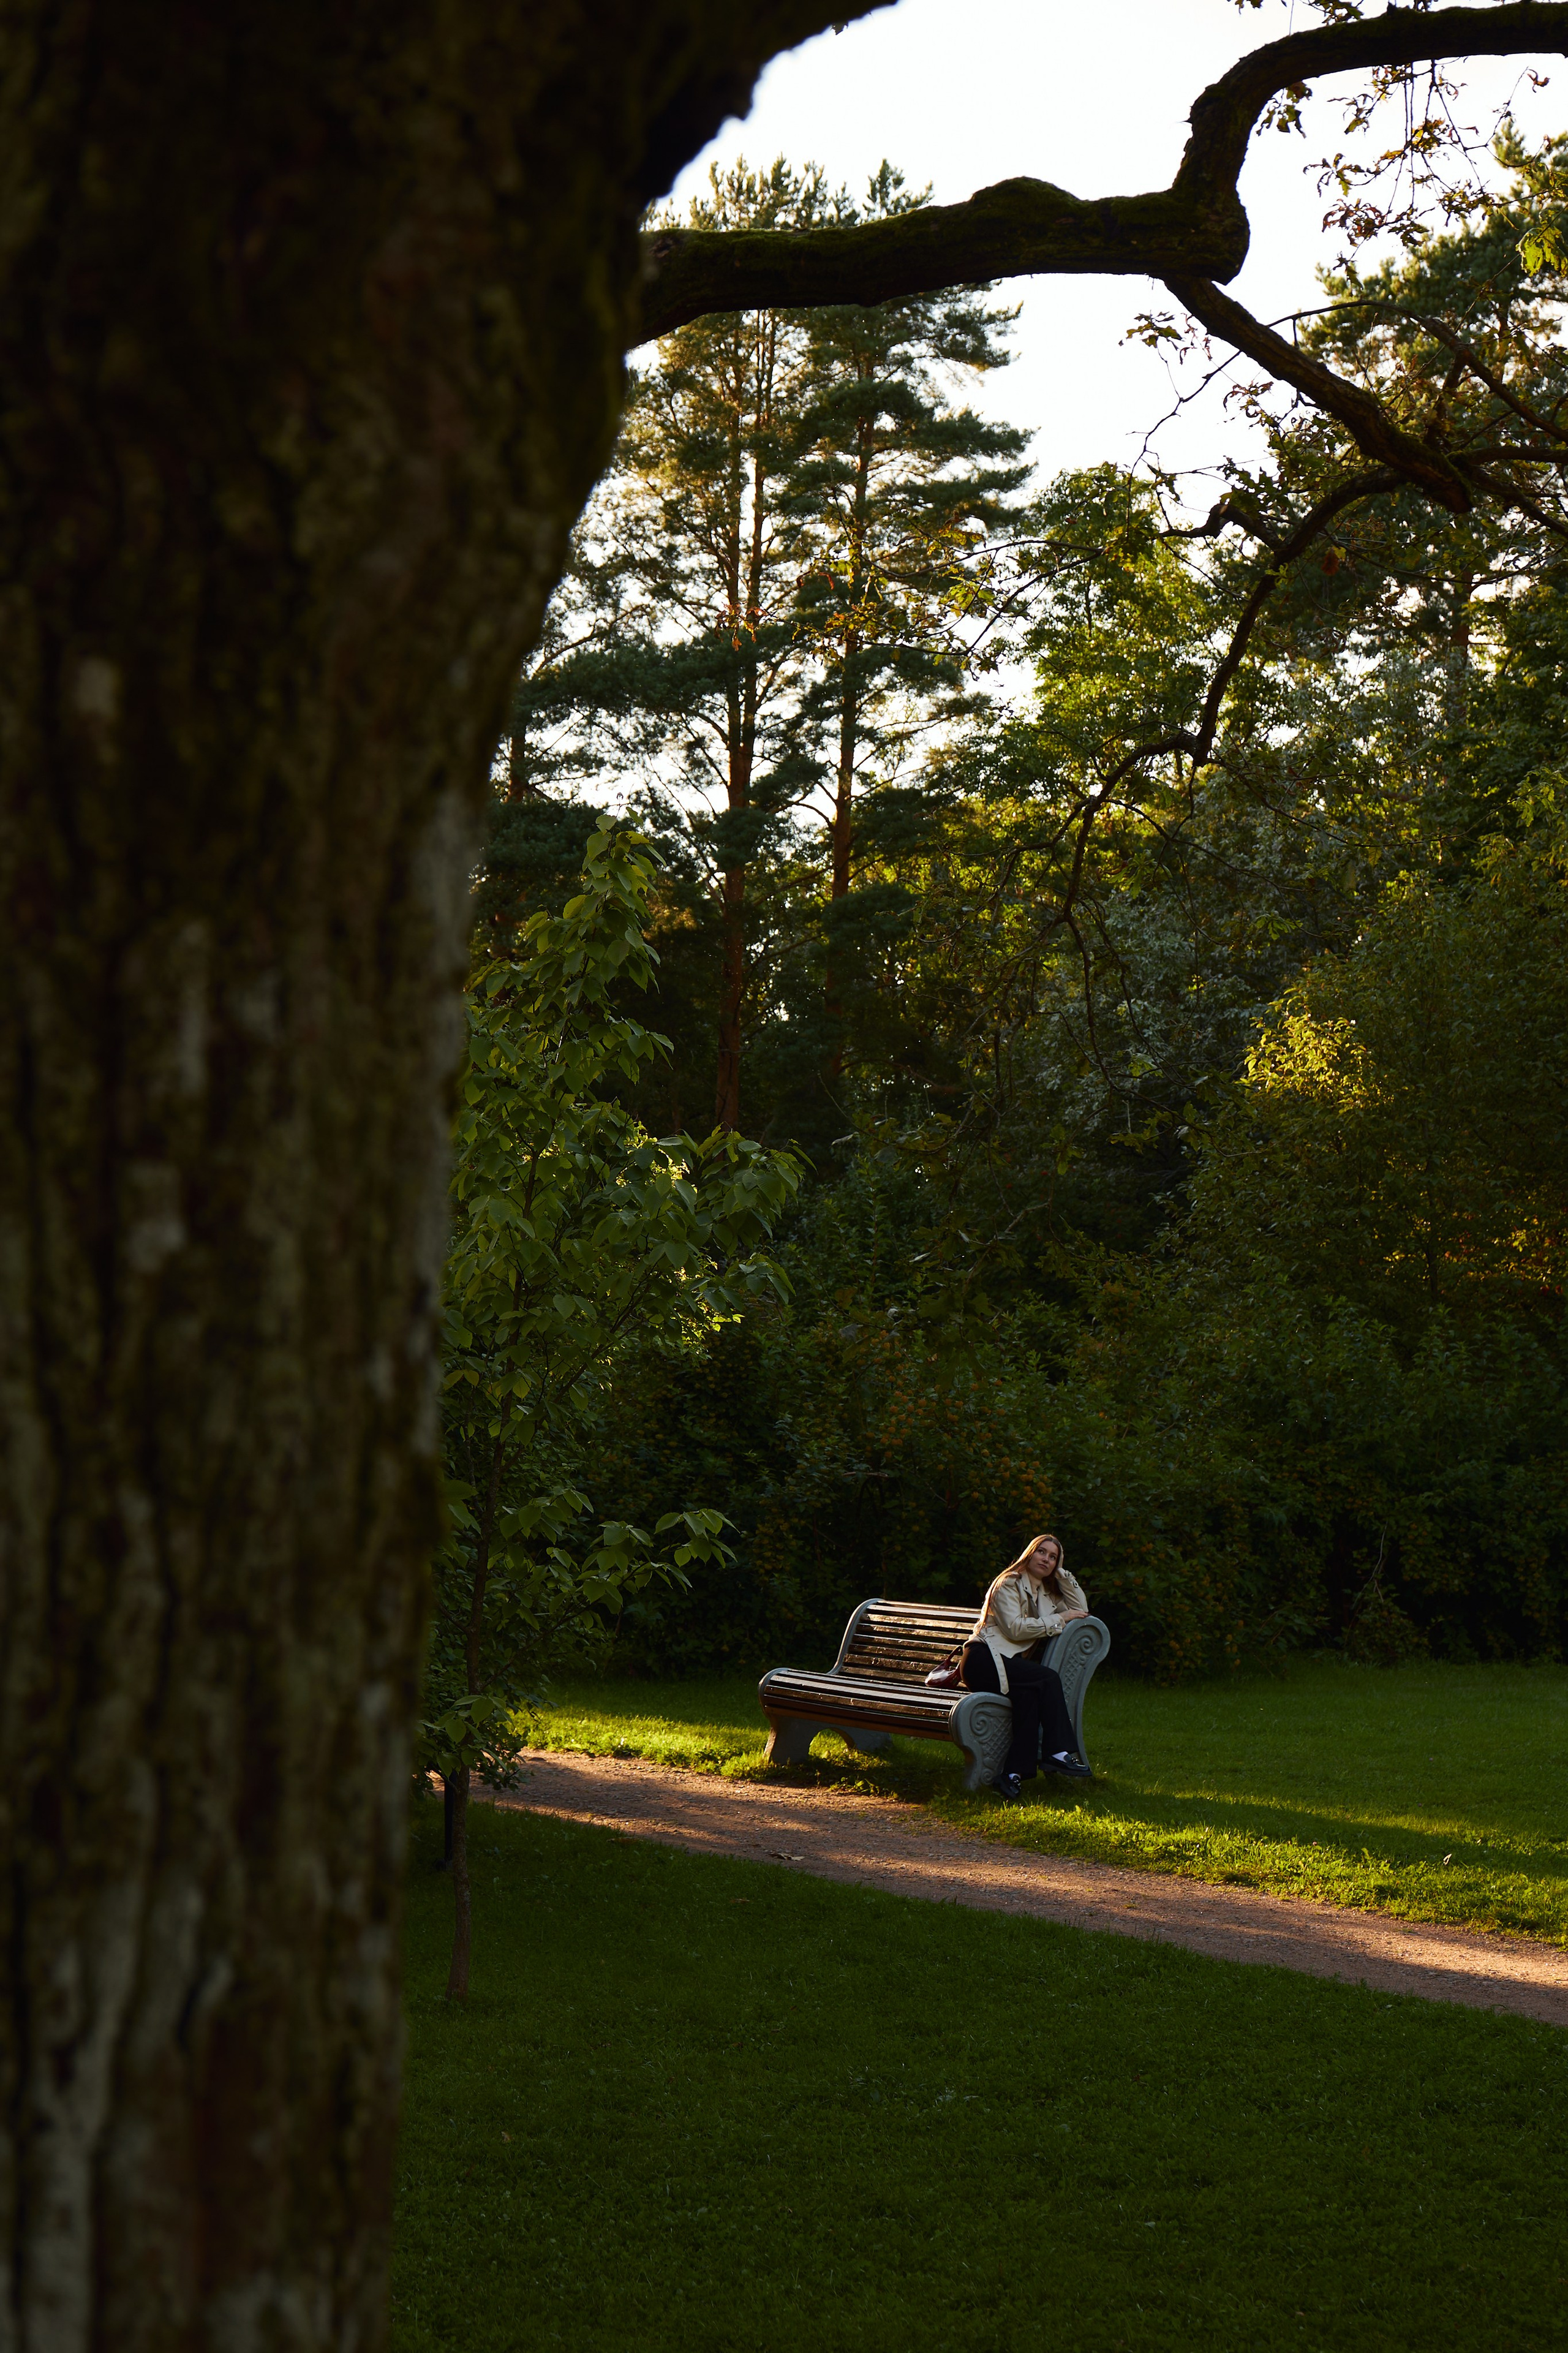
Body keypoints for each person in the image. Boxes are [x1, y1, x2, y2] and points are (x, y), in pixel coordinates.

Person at [960, 1533, 1093, 1798]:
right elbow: (1015, 1629)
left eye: (1053, 1557)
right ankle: (1058, 1752)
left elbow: (1081, 1610)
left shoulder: (1046, 1593)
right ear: (1030, 1554)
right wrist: (1059, 1618)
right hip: (983, 1660)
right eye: (1042, 1552)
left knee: (1030, 1698)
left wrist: (1062, 1575)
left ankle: (1012, 1776)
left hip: (1006, 1665)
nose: (1046, 1559)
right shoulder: (1008, 1583)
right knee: (1048, 1679)